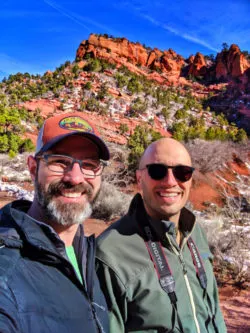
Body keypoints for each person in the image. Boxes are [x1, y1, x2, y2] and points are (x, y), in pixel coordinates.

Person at [96, 138, 227, 333]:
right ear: (139, 179)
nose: (170, 182)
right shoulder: (111, 252)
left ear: (190, 179)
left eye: (182, 173)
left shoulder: (195, 232)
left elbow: (213, 310)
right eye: (157, 171)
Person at [0, 112, 110, 333]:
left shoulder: (90, 254)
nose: (75, 178)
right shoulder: (6, 269)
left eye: (89, 165)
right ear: (33, 168)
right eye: (60, 162)